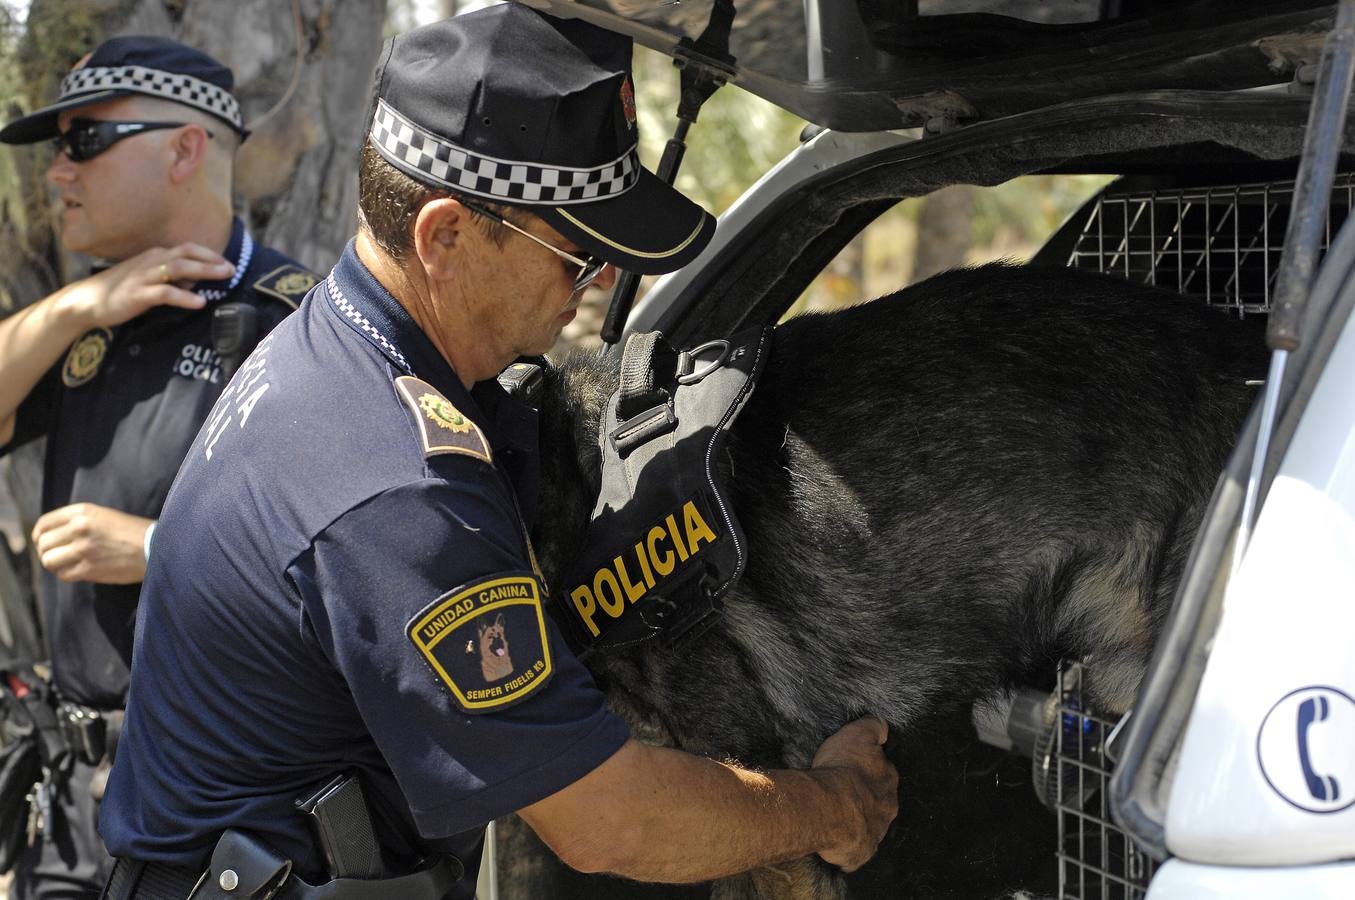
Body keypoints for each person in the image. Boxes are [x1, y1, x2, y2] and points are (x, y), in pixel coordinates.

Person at [98, 7, 899, 899]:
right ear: (442, 237)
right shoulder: (393, 486)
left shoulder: (333, 351)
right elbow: (611, 821)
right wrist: (830, 806)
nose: (594, 282)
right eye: (575, 256)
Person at [0, 36, 317, 898]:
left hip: (213, 816)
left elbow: (354, 569)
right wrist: (73, 305)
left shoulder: (302, 330)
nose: (59, 173)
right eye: (57, 149)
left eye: (84, 143)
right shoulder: (93, 315)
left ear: (185, 148)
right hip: (68, 804)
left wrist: (155, 547)